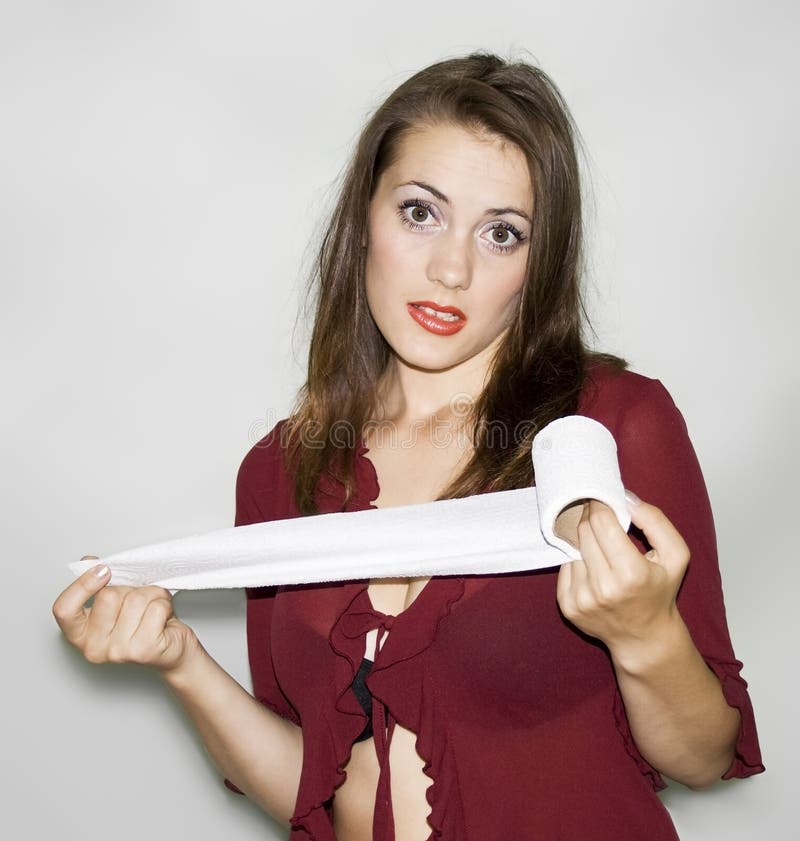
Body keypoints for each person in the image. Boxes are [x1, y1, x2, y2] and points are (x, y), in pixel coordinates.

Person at [52, 52, 764, 840]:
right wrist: (179, 661)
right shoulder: (283, 469)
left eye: (502, 233)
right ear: (364, 218)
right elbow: (312, 784)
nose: (451, 268)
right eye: (421, 213)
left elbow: (705, 755)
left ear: (540, 263)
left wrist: (645, 633)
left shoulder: (609, 431)